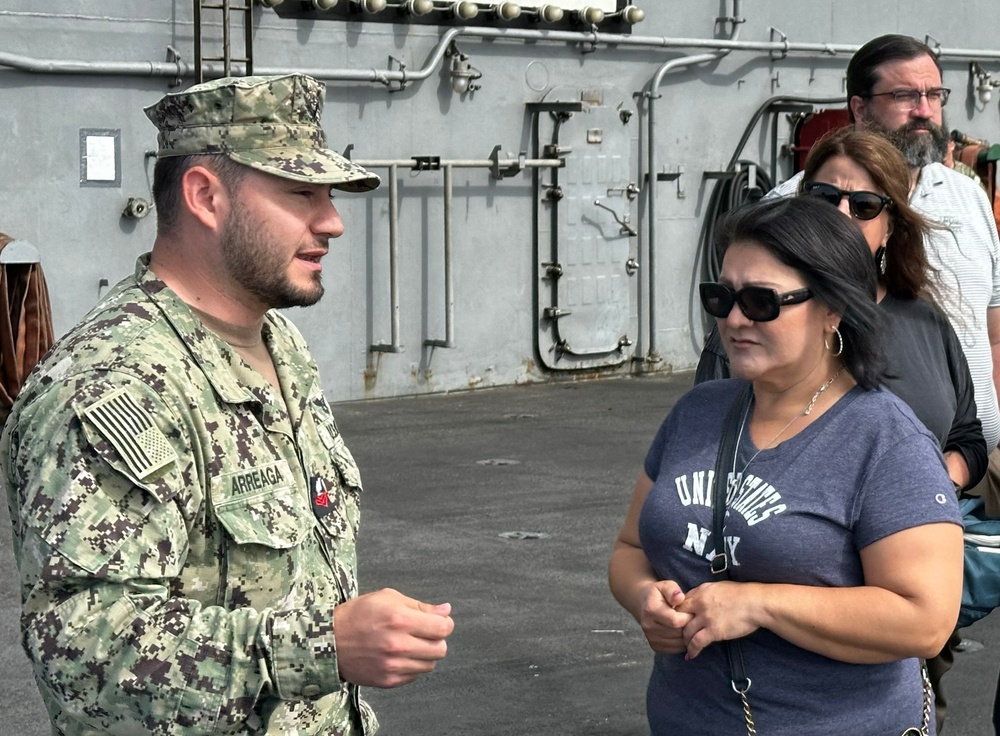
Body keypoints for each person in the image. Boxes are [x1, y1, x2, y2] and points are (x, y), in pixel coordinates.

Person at [1, 74, 454, 735]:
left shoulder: (279, 345)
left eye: (328, 195)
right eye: (301, 193)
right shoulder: (109, 389)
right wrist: (320, 647)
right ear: (206, 196)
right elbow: (84, 657)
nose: (331, 221)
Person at [610, 196, 963, 735]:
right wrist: (645, 600)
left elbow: (925, 621)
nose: (733, 318)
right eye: (721, 297)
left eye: (760, 301)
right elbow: (631, 549)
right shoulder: (698, 411)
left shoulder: (886, 440)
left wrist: (759, 605)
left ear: (832, 309)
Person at [697, 127, 987, 492]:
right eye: (824, 197)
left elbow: (967, 436)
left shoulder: (925, 321)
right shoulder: (751, 319)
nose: (841, 214)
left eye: (864, 205)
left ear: (889, 229)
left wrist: (937, 482)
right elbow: (702, 450)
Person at [765, 34, 1000, 469]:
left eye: (934, 94)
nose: (925, 110)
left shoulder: (969, 197)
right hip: (849, 477)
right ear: (859, 109)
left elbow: (994, 332)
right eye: (904, 95)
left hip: (969, 467)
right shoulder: (790, 210)